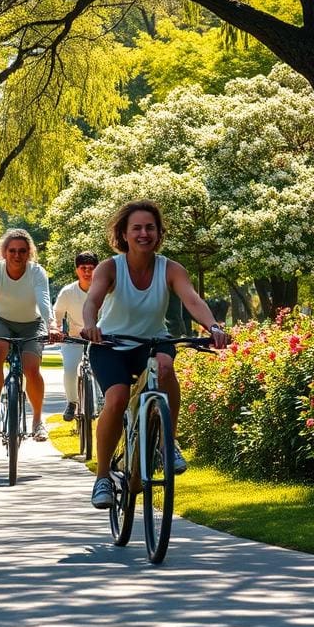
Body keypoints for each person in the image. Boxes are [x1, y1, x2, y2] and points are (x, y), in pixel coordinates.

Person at [81, 200, 228, 510]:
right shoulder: (110, 267)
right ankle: (103, 477)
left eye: (150, 227)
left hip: (152, 341)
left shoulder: (171, 268)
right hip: (111, 344)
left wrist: (213, 327)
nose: (144, 233)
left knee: (164, 368)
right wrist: (91, 326)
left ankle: (167, 442)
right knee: (117, 399)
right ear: (124, 233)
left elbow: (192, 299)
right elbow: (92, 301)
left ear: (159, 233)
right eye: (137, 228)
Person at [0, 229, 62, 442]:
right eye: (12, 251)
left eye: (22, 251)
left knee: (31, 368)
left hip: (32, 323)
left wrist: (52, 326)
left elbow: (43, 299)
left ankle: (38, 420)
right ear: (4, 252)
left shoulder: (37, 272)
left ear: (29, 252)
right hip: (0, 320)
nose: (17, 255)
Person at [53, 251, 99, 422]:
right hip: (74, 338)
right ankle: (72, 402)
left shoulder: (106, 289)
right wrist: (56, 328)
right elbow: (57, 313)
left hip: (100, 339)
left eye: (91, 268)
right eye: (83, 268)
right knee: (70, 368)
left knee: (102, 368)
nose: (87, 272)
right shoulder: (68, 292)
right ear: (77, 270)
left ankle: (102, 402)